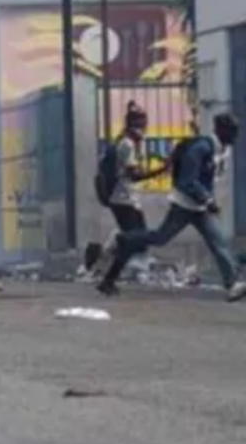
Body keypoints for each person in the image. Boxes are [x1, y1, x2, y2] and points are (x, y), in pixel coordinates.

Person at [97, 112, 246, 301]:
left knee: (218, 243)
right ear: (221, 130)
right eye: (232, 131)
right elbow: (187, 181)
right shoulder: (201, 148)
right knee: (160, 238)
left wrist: (206, 200)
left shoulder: (222, 150)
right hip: (182, 205)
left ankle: (232, 285)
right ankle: (123, 241)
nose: (236, 135)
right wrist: (208, 200)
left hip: (198, 207)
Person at [84, 102, 168, 275]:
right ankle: (103, 258)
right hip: (121, 198)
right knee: (137, 238)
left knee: (137, 236)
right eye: (142, 125)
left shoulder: (126, 142)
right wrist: (162, 169)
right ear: (134, 126)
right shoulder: (127, 145)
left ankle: (102, 259)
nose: (144, 130)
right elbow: (134, 175)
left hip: (127, 198)